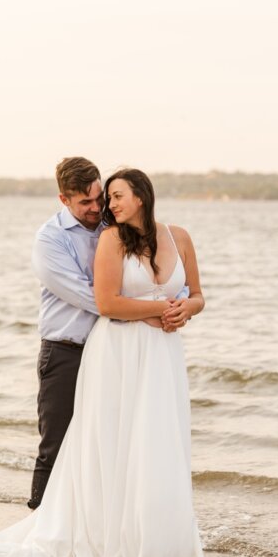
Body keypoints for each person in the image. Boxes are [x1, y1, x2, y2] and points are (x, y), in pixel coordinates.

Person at [0, 167, 207, 557]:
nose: (104, 206)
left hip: (159, 355)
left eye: (111, 197)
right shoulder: (67, 239)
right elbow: (105, 302)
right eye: (97, 200)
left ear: (142, 195)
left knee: (155, 440)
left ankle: (155, 537)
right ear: (64, 199)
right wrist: (155, 311)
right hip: (78, 348)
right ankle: (63, 522)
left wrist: (182, 309)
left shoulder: (173, 235)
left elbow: (195, 294)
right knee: (73, 443)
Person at [25, 157, 186, 509]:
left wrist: (178, 304)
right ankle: (40, 519)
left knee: (106, 443)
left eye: (99, 197)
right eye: (86, 202)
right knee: (57, 441)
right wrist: (148, 312)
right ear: (63, 200)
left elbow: (152, 271)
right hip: (66, 350)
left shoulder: (112, 227)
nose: (97, 207)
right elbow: (95, 299)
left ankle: (95, 521)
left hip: (112, 350)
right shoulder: (50, 240)